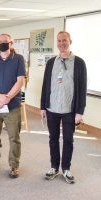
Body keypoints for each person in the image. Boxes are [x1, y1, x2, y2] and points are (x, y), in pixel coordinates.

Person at [41, 31, 87, 184]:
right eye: (59, 41)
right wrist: (42, 106)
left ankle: (66, 168)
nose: (62, 43)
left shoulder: (79, 63)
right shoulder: (51, 62)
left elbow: (82, 88)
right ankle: (54, 167)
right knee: (53, 139)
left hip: (69, 110)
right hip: (52, 108)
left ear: (70, 41)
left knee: (68, 140)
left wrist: (80, 112)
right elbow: (45, 85)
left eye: (64, 40)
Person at [0, 33, 25, 178]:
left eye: (5, 41)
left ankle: (14, 166)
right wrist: (0, 97)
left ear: (11, 43)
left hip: (12, 106)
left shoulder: (19, 59)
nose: (2, 44)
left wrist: (7, 98)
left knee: (14, 137)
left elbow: (20, 81)